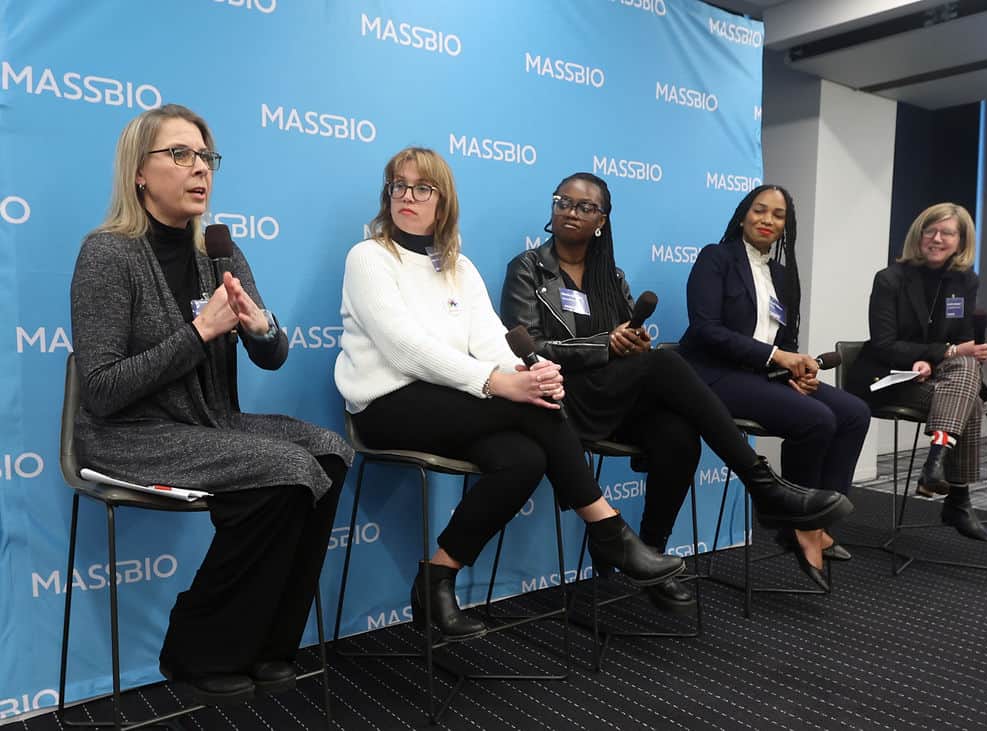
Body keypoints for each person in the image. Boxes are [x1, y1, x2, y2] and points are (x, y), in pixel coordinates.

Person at [334, 148, 685, 641]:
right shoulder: (369, 256)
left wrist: (531, 373)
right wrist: (499, 383)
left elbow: (492, 343)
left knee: (524, 457)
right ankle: (608, 531)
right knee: (531, 411)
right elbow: (404, 349)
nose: (407, 197)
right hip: (386, 404)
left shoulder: (460, 267)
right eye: (398, 186)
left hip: (454, 404)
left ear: (444, 199)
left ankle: (437, 577)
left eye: (422, 188)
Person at [69, 104, 353, 705]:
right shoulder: (107, 254)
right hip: (129, 434)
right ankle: (196, 648)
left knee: (328, 452)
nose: (199, 169)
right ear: (139, 173)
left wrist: (260, 326)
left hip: (211, 424)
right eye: (180, 155)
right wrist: (198, 333)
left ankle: (269, 644)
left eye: (205, 156)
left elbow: (270, 356)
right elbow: (101, 388)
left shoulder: (219, 251)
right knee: (283, 472)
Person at [501, 172, 854, 603]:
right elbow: (529, 348)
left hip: (613, 397)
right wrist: (604, 345)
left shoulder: (612, 276)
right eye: (563, 202)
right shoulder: (527, 269)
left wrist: (631, 343)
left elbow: (625, 340)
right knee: (667, 361)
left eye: (585, 207)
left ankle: (651, 555)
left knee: (679, 436)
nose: (571, 212)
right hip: (564, 397)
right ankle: (762, 485)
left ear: (602, 221)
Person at [678, 184, 871, 589]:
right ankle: (796, 520)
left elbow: (785, 342)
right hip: (713, 374)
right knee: (817, 419)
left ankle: (816, 522)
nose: (767, 220)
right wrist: (776, 360)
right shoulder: (716, 258)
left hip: (762, 374)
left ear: (786, 226)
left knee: (854, 413)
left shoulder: (783, 274)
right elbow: (705, 329)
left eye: (777, 215)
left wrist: (795, 370)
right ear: (743, 215)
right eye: (759, 211)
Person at [848, 203, 987, 541]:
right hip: (889, 378)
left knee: (967, 369)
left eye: (948, 233)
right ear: (919, 234)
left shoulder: (965, 281)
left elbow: (958, 339)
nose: (937, 238)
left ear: (961, 241)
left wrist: (957, 352)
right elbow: (884, 344)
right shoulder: (889, 280)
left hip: (941, 380)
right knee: (971, 401)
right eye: (931, 231)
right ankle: (957, 497)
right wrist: (940, 353)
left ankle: (936, 464)